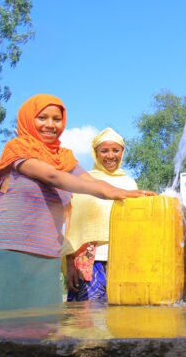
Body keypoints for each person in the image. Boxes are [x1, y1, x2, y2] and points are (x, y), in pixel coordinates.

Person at [0, 94, 153, 314]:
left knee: (39, 330)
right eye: (42, 117)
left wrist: (132, 195)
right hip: (11, 250)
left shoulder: (64, 158)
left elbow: (91, 182)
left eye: (57, 119)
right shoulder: (17, 149)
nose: (50, 125)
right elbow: (54, 177)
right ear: (28, 119)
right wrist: (111, 191)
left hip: (46, 255)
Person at [63, 128, 138, 301]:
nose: (110, 156)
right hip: (89, 262)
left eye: (115, 150)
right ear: (95, 153)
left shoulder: (129, 183)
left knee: (120, 317)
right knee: (87, 318)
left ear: (122, 152)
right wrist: (70, 265)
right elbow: (71, 224)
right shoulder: (84, 181)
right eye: (104, 151)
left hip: (122, 260)